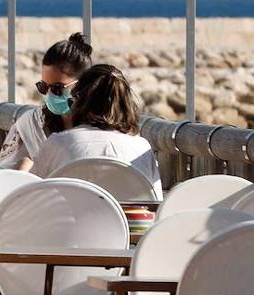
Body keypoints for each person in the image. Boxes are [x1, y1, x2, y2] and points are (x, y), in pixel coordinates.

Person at [30, 63, 162, 197]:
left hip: (72, 216)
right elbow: (154, 200)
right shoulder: (141, 148)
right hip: (125, 218)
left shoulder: (58, 143)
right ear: (127, 105)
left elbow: (29, 196)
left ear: (78, 101)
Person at [0, 33, 94, 171]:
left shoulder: (102, 125)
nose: (49, 94)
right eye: (43, 87)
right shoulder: (32, 124)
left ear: (82, 84)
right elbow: (5, 171)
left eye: (57, 88)